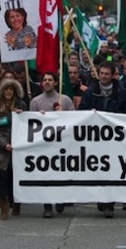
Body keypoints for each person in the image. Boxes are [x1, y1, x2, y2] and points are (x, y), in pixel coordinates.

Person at [29, 72, 75, 218]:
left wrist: (64, 113)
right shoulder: (35, 102)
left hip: (62, 145)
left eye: (50, 80)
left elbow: (75, 120)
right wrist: (38, 117)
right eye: (45, 80)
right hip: (44, 146)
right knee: (45, 175)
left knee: (61, 173)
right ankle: (47, 206)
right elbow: (30, 124)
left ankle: (60, 199)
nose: (47, 82)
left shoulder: (65, 100)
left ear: (56, 83)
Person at [0, 78, 25, 220]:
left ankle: (16, 202)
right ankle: (3, 206)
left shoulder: (21, 105)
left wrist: (21, 115)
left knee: (14, 178)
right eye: (6, 89)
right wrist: (4, 144)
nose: (9, 92)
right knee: (2, 178)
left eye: (11, 89)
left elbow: (28, 123)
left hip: (17, 148)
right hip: (1, 149)